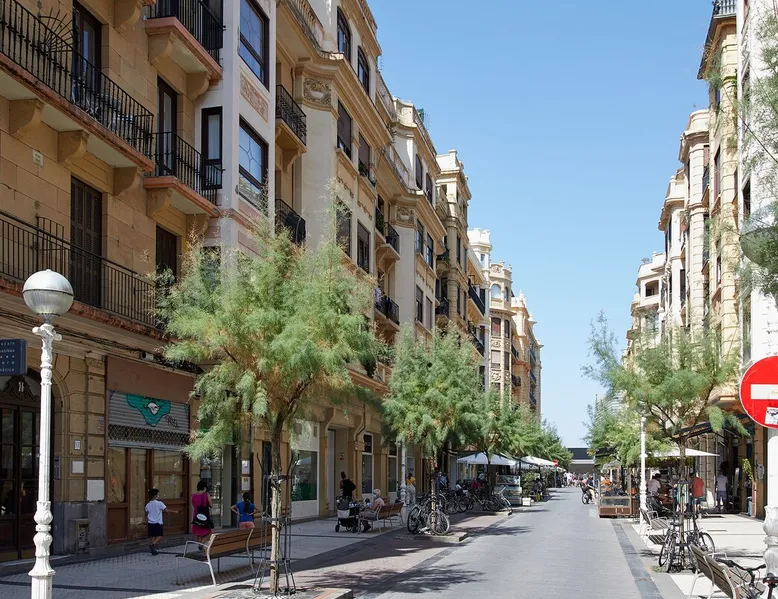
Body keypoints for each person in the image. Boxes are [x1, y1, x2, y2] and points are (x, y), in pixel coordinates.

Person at [146, 487, 178, 555]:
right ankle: (152, 544)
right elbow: (166, 510)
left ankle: (153, 549)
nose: (158, 495)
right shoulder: (159, 503)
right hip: (157, 522)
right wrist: (175, 511)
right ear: (155, 495)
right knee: (160, 535)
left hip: (150, 522)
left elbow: (147, 511)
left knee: (154, 535)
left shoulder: (148, 504)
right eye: (158, 494)